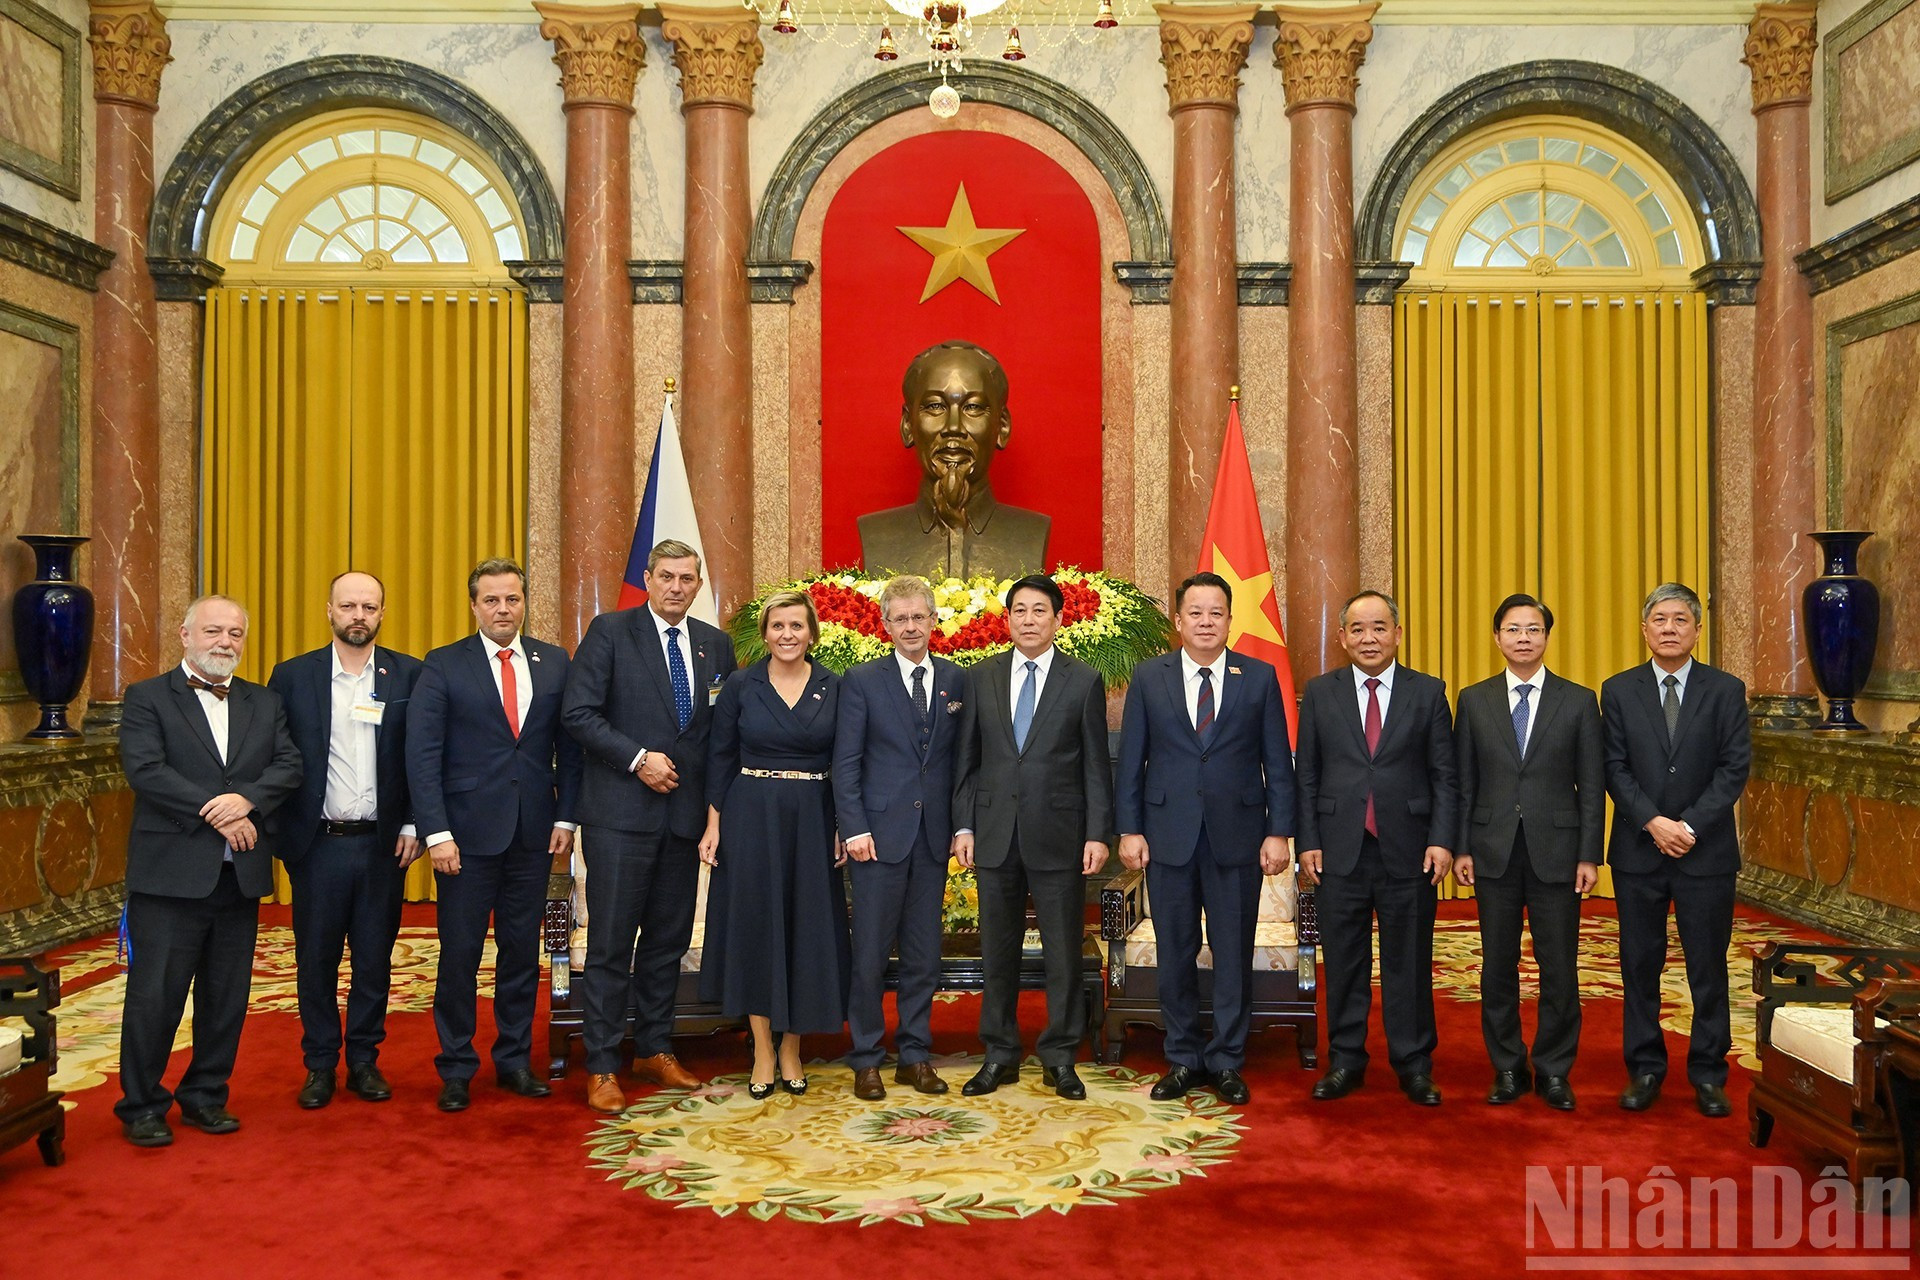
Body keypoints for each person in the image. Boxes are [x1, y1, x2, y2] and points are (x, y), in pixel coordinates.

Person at [115, 595, 303, 1147]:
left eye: (236, 633)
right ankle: (142, 1105)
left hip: (237, 877)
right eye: (214, 631)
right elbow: (146, 771)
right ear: (185, 634)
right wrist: (217, 811)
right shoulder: (148, 697)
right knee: (157, 996)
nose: (226, 642)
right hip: (170, 876)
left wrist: (246, 800)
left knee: (226, 997)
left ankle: (205, 1097)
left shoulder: (264, 702)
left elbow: (288, 765)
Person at [562, 539, 737, 1114]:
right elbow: (578, 714)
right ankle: (605, 1062)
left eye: (688, 579)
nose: (677, 588)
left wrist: (716, 813)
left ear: (698, 583)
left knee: (667, 941)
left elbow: (719, 739)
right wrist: (638, 758)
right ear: (647, 577)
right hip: (620, 818)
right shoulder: (611, 632)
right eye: (666, 577)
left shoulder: (715, 645)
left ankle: (656, 1047)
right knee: (611, 946)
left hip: (684, 823)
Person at [407, 558, 582, 1114]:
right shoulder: (442, 665)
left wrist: (565, 819)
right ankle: (456, 1067)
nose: (503, 609)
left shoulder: (554, 662)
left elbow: (570, 749)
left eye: (512, 599)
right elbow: (423, 754)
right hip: (463, 837)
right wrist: (436, 832)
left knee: (518, 955)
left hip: (534, 834)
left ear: (525, 601)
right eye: (491, 600)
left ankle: (513, 1062)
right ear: (474, 605)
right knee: (459, 955)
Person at [1114, 572, 1294, 1105]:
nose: (1206, 621)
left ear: (1230, 620)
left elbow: (1277, 763)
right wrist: (1130, 828)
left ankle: (1228, 1058)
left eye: (1216, 612)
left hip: (1238, 836)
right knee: (1176, 949)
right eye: (1195, 612)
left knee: (1232, 950)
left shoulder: (1258, 678)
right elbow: (1131, 763)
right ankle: (1184, 1056)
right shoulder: (1150, 677)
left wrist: (1279, 831)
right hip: (1167, 837)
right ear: (1179, 620)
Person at [1295, 589, 1459, 1106]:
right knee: (1343, 961)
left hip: (1409, 850)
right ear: (1342, 637)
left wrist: (1442, 840)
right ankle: (1346, 1060)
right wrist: (1308, 842)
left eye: (1380, 627)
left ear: (1398, 633)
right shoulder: (1321, 692)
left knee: (1408, 960)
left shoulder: (1428, 692)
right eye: (1358, 629)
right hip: (1338, 849)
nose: (1370, 638)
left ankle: (1413, 1063)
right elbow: (1307, 776)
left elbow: (1445, 777)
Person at [952, 574, 1113, 1101]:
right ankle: (999, 1053)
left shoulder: (1083, 680)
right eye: (1018, 610)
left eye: (1038, 610)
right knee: (996, 951)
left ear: (1058, 619)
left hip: (1059, 834)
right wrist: (965, 825)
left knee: (1064, 951)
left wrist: (1097, 833)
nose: (1028, 619)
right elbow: (967, 762)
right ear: (1008, 619)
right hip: (995, 833)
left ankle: (1060, 1056)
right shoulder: (981, 677)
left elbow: (1094, 766)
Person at [267, 571, 423, 1110]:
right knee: (316, 960)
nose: (359, 615)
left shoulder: (409, 675)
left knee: (375, 959)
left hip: (384, 844)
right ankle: (318, 1065)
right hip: (318, 845)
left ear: (383, 613)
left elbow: (420, 760)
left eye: (369, 606)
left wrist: (413, 823)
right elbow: (273, 756)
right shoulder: (291, 677)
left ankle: (363, 1061)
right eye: (349, 605)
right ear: (328, 610)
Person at [1602, 582, 1751, 1118]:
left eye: (1680, 619)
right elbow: (1613, 767)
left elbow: (1734, 768)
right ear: (1644, 630)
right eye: (1659, 620)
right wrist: (1652, 822)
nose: (1669, 628)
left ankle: (1709, 1073)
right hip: (1638, 852)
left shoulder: (1726, 689)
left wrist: (1687, 825)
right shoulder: (1617, 690)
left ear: (1697, 629)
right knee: (1639, 965)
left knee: (1707, 967)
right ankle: (1644, 1068)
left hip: (1705, 852)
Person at [1452, 593, 1604, 1111]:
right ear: (1496, 638)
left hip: (1558, 852)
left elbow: (1592, 782)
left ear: (1546, 637)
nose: (1523, 638)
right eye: (1513, 629)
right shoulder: (1473, 700)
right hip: (1492, 849)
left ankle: (1555, 1069)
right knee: (1497, 964)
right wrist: (1461, 847)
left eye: (1533, 629)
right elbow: (1464, 782)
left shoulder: (1579, 700)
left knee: (1559, 965)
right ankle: (1508, 1066)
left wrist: (1590, 855)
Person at [698, 590, 849, 1099]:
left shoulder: (835, 686)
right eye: (778, 626)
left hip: (813, 816)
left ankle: (792, 1047)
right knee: (757, 928)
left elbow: (846, 763)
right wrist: (714, 823)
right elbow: (719, 756)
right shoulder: (741, 685)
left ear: (812, 633)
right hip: (750, 815)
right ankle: (763, 1047)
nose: (787, 635)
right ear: (764, 635)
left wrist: (840, 825)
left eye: (797, 626)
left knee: (805, 929)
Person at [833, 574, 967, 1101]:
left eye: (920, 617)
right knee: (868, 954)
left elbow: (960, 765)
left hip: (932, 839)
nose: (911, 627)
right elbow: (845, 764)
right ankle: (866, 1056)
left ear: (934, 621)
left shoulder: (957, 680)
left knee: (922, 955)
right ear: (884, 624)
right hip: (877, 838)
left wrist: (961, 826)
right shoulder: (861, 681)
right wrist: (854, 828)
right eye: (901, 618)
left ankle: (914, 1054)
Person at [857, 340, 1050, 580]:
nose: (954, 427)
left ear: (1002, 426)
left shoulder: (1032, 532)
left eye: (973, 407)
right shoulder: (876, 534)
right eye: (935, 406)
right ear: (908, 425)